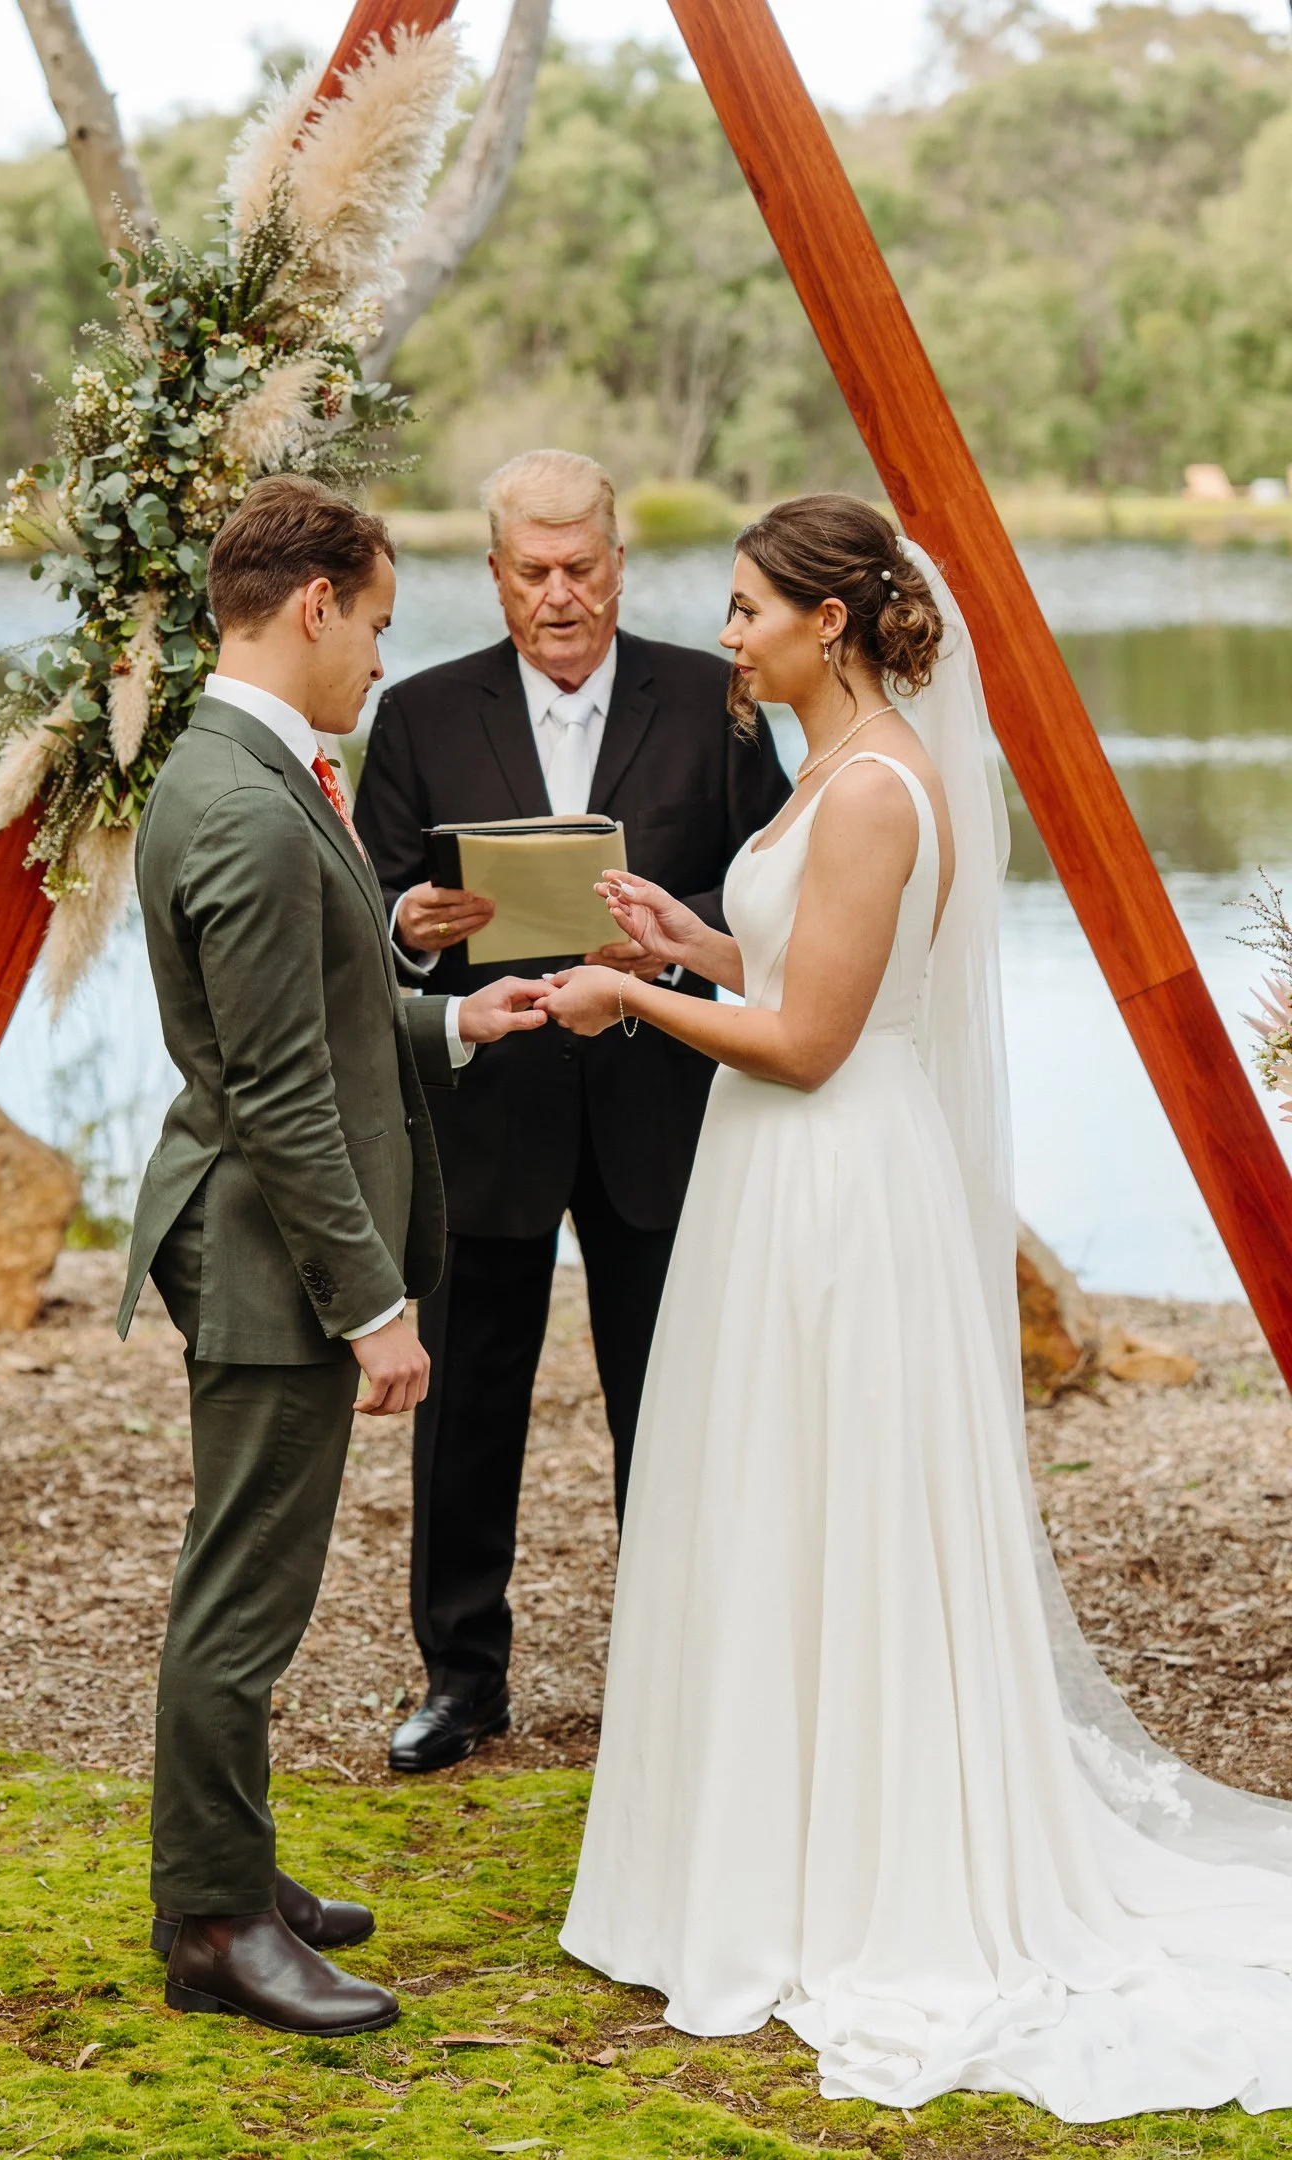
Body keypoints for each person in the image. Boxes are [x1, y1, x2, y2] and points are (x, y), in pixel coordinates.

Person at [540, 495, 1292, 2119]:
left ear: (832, 620)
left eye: (748, 608)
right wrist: (688, 938)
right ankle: (760, 1848)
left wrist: (632, 997)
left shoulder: (876, 787)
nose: (726, 633)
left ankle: (845, 1875)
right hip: (784, 1174)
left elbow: (815, 1044)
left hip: (831, 1181)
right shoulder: (832, 772)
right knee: (772, 1501)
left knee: (835, 1508)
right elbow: (807, 980)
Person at [115, 475, 546, 2038]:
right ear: (313, 606)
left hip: (266, 1238)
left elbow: (311, 1014)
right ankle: (219, 1925)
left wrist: (450, 1018)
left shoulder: (247, 761)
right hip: (268, 1258)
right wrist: (374, 1307)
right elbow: (279, 1089)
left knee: (248, 1588)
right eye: (372, 621)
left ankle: (230, 1865)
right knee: (242, 1602)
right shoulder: (236, 796)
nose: (378, 654)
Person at [353, 449, 790, 1775]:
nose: (560, 595)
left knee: (667, 1401)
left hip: (660, 1103)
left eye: (582, 568)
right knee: (467, 1408)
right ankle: (461, 1682)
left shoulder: (716, 698)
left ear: (617, 564)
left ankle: (677, 1682)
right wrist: (415, 928)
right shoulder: (421, 716)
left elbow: (768, 888)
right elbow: (371, 910)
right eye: (533, 572)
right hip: (487, 1108)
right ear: (494, 577)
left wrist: (671, 943)